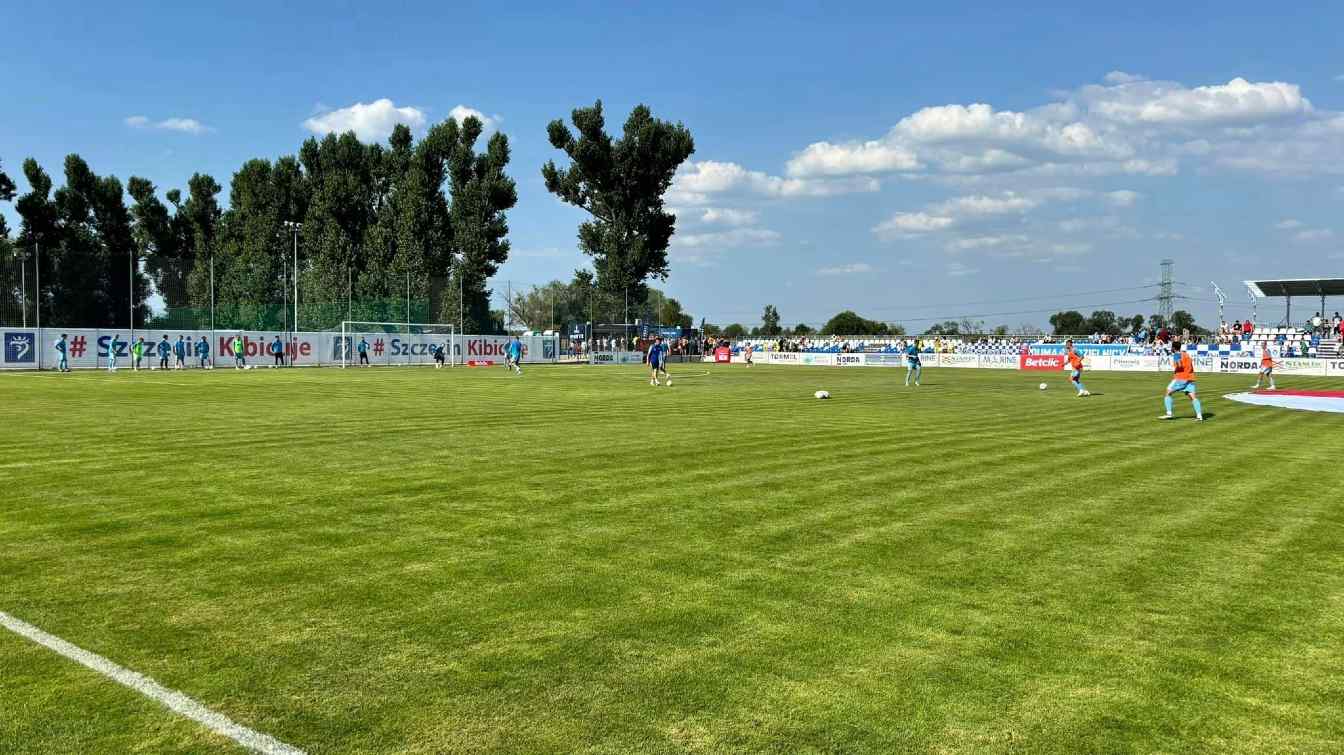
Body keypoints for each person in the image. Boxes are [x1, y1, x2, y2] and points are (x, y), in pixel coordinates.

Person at [1160, 340, 1204, 421]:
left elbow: (1179, 365)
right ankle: (1199, 415)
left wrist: (1176, 364)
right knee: (1193, 397)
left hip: (1181, 378)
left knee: (1168, 393)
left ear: (1173, 348)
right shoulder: (1186, 354)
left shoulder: (1177, 355)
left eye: (1171, 347)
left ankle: (1169, 413)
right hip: (1189, 378)